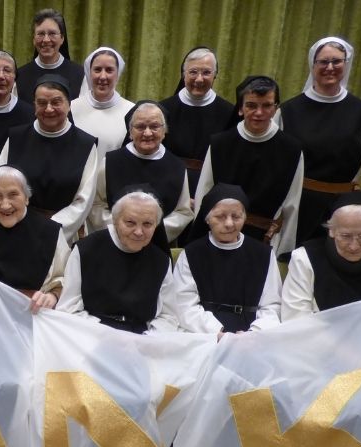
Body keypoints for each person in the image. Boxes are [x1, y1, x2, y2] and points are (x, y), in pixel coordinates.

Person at [277, 37, 361, 245]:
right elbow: (277, 158)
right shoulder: (289, 110)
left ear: (346, 64)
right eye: (323, 62)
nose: (330, 67)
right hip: (297, 203)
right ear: (312, 64)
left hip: (339, 206)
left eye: (336, 61)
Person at [193, 76, 303, 256]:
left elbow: (292, 205)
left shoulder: (291, 149)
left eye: (266, 105)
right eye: (251, 105)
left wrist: (284, 252)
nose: (259, 113)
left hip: (264, 241)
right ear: (240, 109)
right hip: (219, 237)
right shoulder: (220, 144)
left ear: (276, 108)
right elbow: (203, 195)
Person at [58, 190, 178, 334]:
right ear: (115, 221)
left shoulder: (161, 261)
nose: (139, 231)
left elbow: (168, 316)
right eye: (130, 223)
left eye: (147, 224)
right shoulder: (85, 250)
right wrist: (110, 337)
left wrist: (147, 341)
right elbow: (68, 308)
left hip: (141, 340)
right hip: (91, 334)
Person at [170, 183, 281, 336]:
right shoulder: (192, 253)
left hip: (251, 335)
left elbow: (271, 306)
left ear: (245, 218)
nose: (229, 223)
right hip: (203, 334)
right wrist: (217, 332)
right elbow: (184, 305)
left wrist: (253, 334)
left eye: (236, 216)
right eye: (220, 216)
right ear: (208, 219)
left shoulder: (263, 254)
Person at [0, 74, 98, 243]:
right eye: (42, 103)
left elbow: (84, 199)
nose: (49, 109)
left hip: (62, 235)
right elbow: (0, 183)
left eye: (56, 102)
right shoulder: (16, 138)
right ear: (34, 105)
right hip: (17, 229)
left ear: (68, 105)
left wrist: (48, 229)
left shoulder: (85, 144)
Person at [281, 191, 361, 321]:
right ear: (331, 230)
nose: (354, 246)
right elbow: (294, 320)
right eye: (346, 236)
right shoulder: (305, 258)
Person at [0, 166, 70, 313]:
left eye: (13, 195)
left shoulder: (50, 232)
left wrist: (52, 296)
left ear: (26, 198)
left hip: (34, 316)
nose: (5, 205)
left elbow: (64, 281)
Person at [88, 101, 193, 247]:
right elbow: (97, 205)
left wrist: (150, 232)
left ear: (164, 131)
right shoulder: (111, 162)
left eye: (155, 126)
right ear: (130, 132)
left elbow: (183, 212)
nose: (148, 133)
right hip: (113, 243)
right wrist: (122, 231)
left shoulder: (177, 167)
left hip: (157, 246)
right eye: (140, 127)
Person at [159, 47, 234, 197]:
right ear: (183, 74)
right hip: (168, 186)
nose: (199, 79)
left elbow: (229, 163)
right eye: (193, 72)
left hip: (210, 191)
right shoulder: (163, 109)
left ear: (215, 75)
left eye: (206, 72)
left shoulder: (230, 113)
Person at [70, 46, 135, 156]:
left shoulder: (132, 111)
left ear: (117, 74)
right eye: (97, 70)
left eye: (109, 70)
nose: (103, 76)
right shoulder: (71, 108)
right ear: (89, 73)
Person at [15, 8, 86, 104]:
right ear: (33, 39)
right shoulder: (19, 76)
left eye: (52, 33)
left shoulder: (80, 75)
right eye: (40, 34)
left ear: (62, 38)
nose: (46, 40)